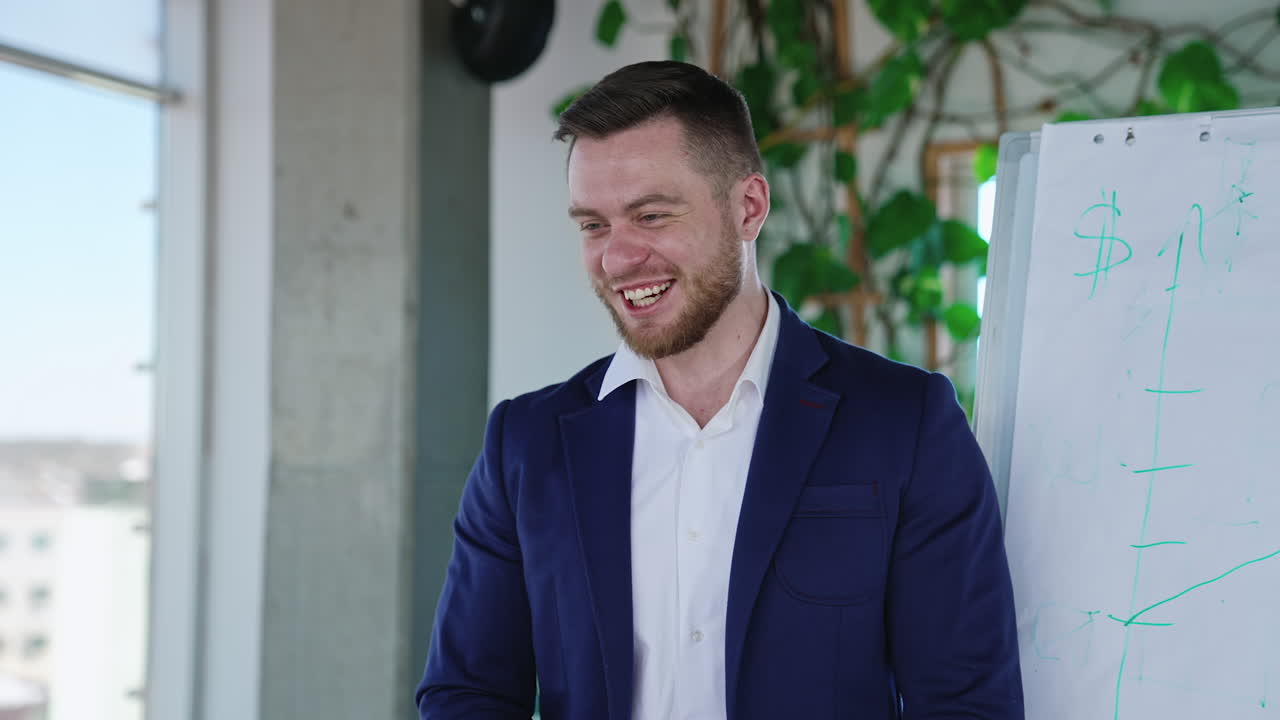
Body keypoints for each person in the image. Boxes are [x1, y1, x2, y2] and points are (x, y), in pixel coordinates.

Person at [416, 60, 1023, 720]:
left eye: (651, 215)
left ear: (749, 207)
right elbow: (467, 696)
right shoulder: (525, 446)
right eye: (593, 225)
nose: (618, 259)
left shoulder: (904, 423)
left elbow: (967, 704)